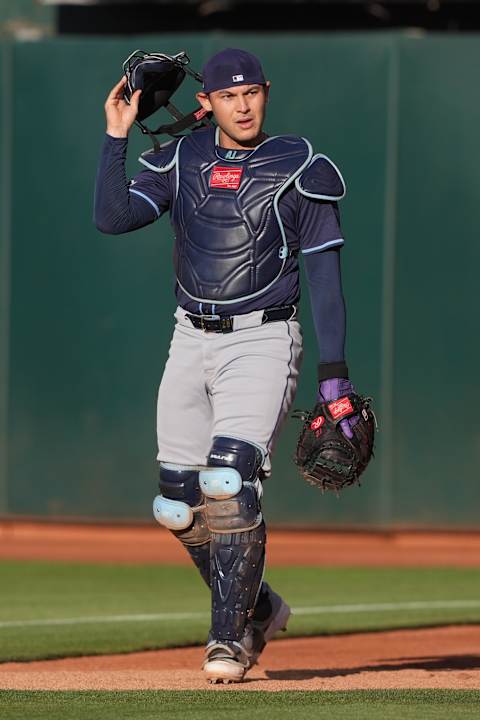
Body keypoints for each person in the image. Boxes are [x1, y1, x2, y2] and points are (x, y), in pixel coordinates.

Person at [94, 47, 355, 684]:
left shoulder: (301, 166)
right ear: (205, 102)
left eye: (253, 93)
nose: (243, 105)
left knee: (228, 484)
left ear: (266, 93)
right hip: (191, 337)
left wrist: (335, 377)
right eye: (228, 96)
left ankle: (228, 639)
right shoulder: (183, 159)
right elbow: (112, 217)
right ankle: (260, 607)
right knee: (178, 507)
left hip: (262, 339)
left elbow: (324, 276)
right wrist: (115, 137)